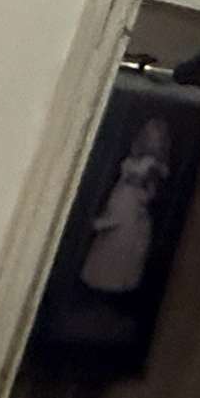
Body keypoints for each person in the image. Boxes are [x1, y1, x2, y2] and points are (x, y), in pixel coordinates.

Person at [79, 117, 172, 293]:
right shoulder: (133, 158)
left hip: (132, 206)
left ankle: (113, 286)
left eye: (156, 137)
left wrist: (137, 186)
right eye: (148, 134)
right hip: (119, 199)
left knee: (120, 243)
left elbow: (151, 193)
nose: (151, 139)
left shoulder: (155, 166)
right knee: (107, 242)